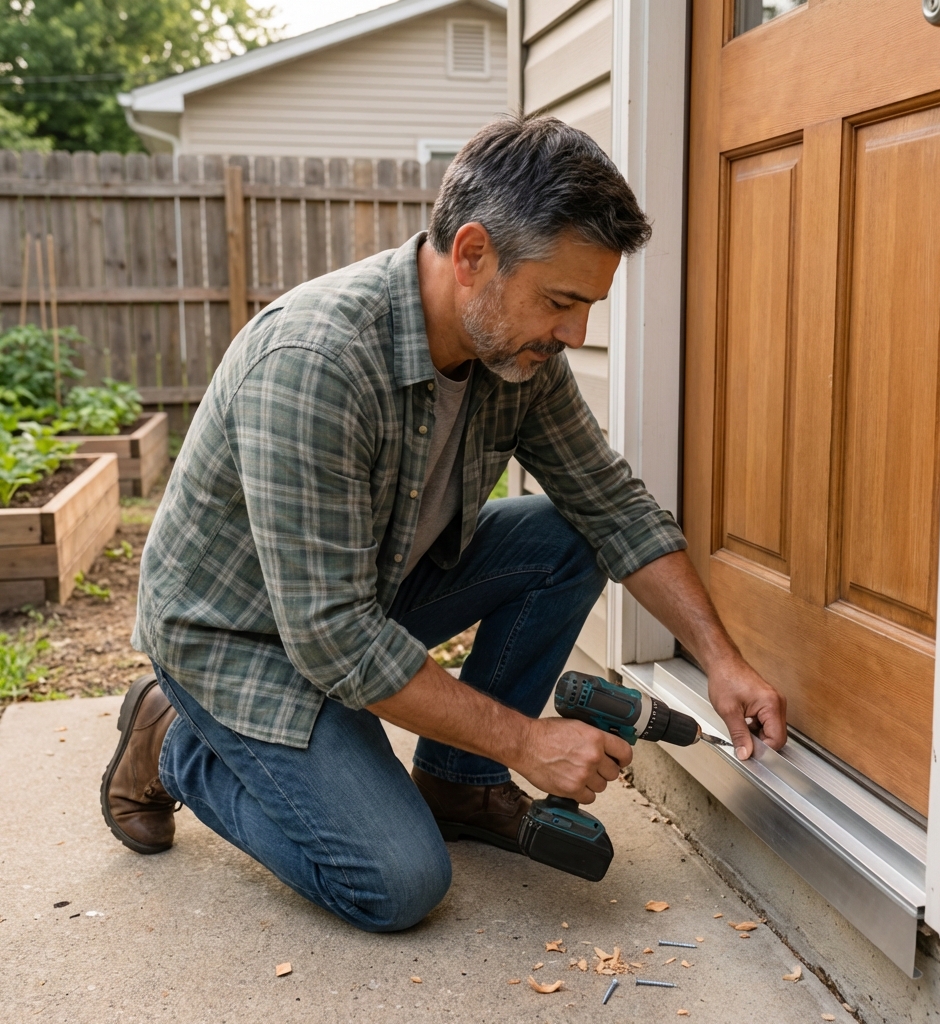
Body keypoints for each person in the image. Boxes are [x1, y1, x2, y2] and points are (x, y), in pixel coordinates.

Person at [100, 115, 786, 932]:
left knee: (567, 535)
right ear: (471, 256)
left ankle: (458, 782)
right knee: (398, 882)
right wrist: (527, 742)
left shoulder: (514, 350)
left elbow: (608, 502)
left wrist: (721, 660)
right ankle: (174, 740)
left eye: (588, 306)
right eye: (562, 301)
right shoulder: (314, 363)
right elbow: (332, 640)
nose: (575, 334)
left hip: (359, 594)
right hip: (242, 640)